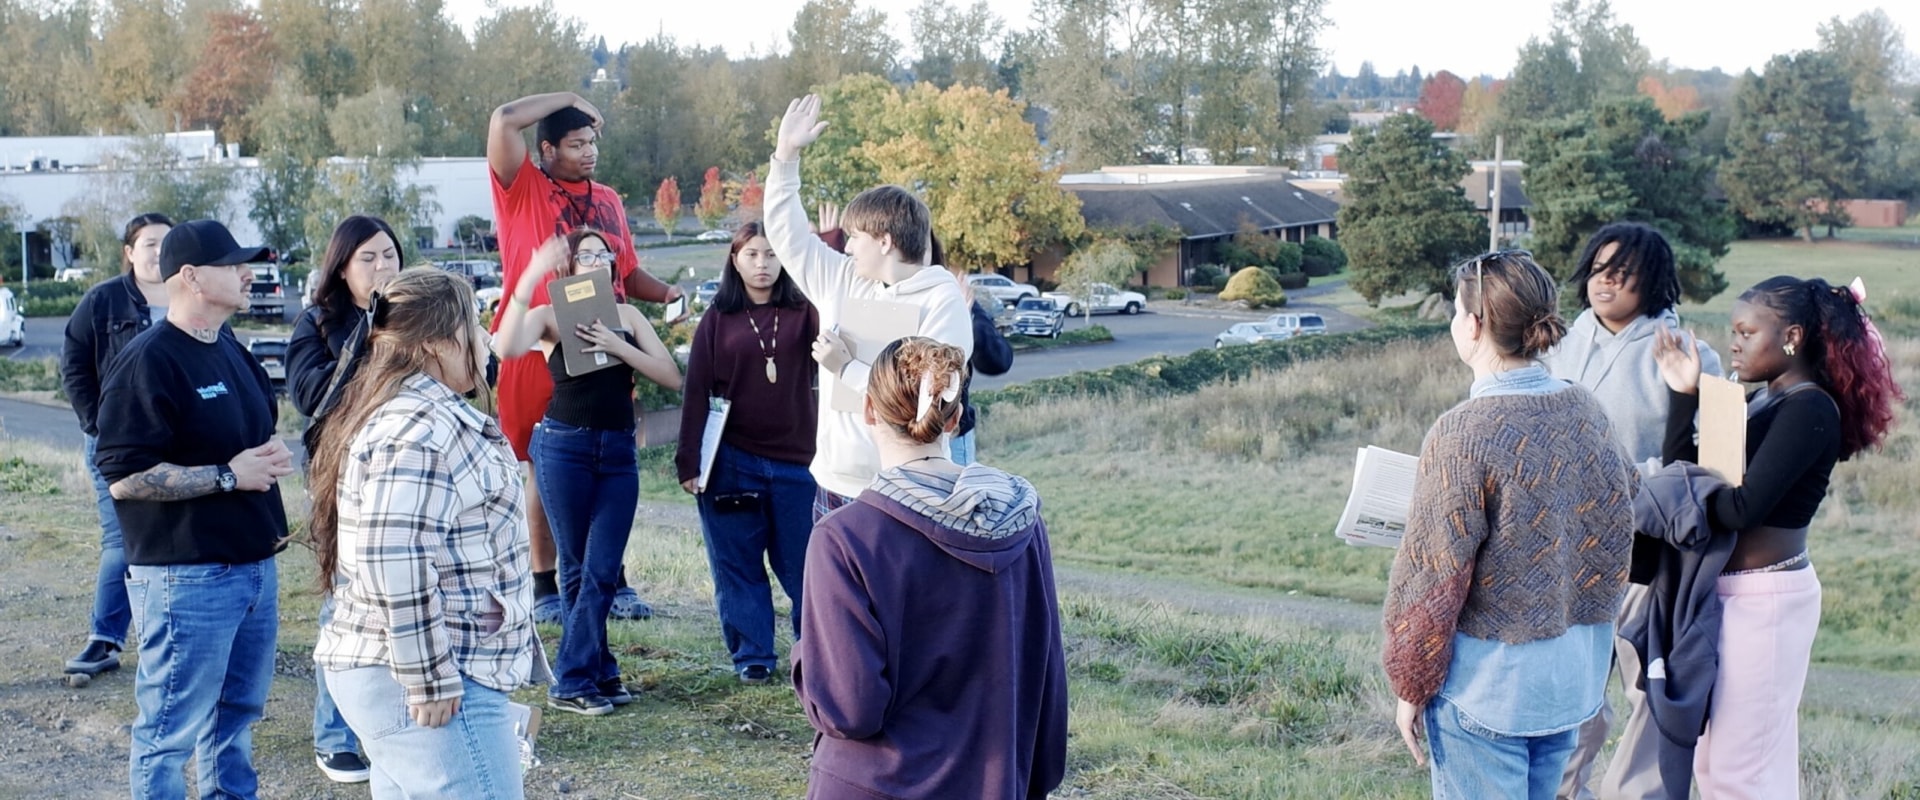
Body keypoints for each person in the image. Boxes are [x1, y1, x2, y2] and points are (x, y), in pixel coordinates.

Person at [1382, 250, 1637, 799]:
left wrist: (1411, 684)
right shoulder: (1586, 410)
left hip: (1489, 690)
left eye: (1457, 310)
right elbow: (1621, 506)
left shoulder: (1463, 433)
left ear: (1474, 325)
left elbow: (1435, 578)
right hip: (1569, 683)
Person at [1650, 276, 1901, 799]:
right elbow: (1687, 470)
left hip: (1767, 601)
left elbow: (1742, 508)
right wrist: (1684, 394)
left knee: (1741, 772)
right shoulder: (1762, 400)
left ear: (1790, 337)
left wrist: (1686, 501)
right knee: (1719, 765)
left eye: (1746, 332)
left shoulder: (1810, 409)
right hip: (1730, 593)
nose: (1734, 343)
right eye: (1733, 331)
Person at [309, 268, 549, 798]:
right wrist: (430, 676)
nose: (487, 341)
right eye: (474, 328)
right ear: (438, 344)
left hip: (418, 672)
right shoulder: (419, 426)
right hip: (435, 680)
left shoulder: (416, 414)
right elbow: (393, 554)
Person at [794, 337, 1068, 799]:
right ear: (956, 417)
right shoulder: (1023, 522)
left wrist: (807, 655)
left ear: (868, 410)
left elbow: (849, 709)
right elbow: (1047, 677)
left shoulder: (845, 537)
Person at [93, 219, 296, 800]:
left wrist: (267, 453)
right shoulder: (149, 361)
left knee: (234, 720)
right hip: (188, 577)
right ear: (190, 276)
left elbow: (251, 431)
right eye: (233, 264)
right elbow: (125, 478)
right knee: (169, 731)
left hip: (254, 566)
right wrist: (229, 476)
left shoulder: (229, 346)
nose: (246, 272)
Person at [487, 90, 682, 624]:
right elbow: (504, 118)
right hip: (539, 337)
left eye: (592, 142)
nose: (589, 152)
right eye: (576, 144)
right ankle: (545, 583)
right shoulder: (522, 187)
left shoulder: (610, 200)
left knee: (605, 455)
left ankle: (611, 579)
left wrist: (667, 295)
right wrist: (571, 96)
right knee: (541, 463)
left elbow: (628, 272)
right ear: (546, 150)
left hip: (602, 339)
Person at [1541, 223, 1721, 800]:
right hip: (1564, 546)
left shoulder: (1691, 353)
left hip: (1648, 552)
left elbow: (1709, 466)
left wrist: (1628, 480)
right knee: (1569, 687)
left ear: (1654, 280)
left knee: (1646, 686)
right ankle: (1559, 791)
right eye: (1598, 267)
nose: (1605, 281)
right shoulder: (1559, 344)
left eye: (1623, 271)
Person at [494, 228, 682, 716]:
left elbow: (670, 375)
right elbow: (505, 347)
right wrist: (531, 274)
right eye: (586, 254)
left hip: (618, 452)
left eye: (604, 254)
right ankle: (587, 674)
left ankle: (585, 672)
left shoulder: (628, 315)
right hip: (564, 448)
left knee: (600, 567)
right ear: (570, 266)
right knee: (579, 569)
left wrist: (618, 347)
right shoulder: (550, 316)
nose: (596, 260)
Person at [766, 93, 974, 519]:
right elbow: (787, 236)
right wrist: (785, 158)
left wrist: (846, 368)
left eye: (854, 235)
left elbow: (928, 397)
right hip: (834, 483)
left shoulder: (942, 301)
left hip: (908, 488)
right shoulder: (842, 278)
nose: (845, 245)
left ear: (885, 241)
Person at [285, 215, 405, 784]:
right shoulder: (316, 323)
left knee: (401, 594)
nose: (383, 267)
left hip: (406, 471)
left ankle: (388, 723)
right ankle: (334, 734)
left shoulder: (415, 317)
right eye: (368, 259)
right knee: (347, 600)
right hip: (341, 475)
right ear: (341, 267)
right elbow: (315, 397)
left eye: (389, 255)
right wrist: (369, 328)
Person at [675, 222, 820, 684]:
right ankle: (753, 656)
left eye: (772, 254)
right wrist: (689, 461)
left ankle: (813, 653)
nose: (763, 264)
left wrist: (825, 242)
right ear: (735, 259)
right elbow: (696, 390)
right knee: (737, 567)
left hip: (799, 462)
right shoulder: (717, 319)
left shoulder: (804, 313)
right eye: (753, 254)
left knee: (806, 569)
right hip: (732, 460)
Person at [58, 211, 172, 681]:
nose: (159, 252)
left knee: (170, 540)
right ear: (129, 252)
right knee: (121, 540)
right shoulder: (103, 300)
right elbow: (74, 366)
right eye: (149, 244)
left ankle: (163, 635)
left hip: (175, 443)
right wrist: (96, 425)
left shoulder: (189, 294)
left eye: (167, 243)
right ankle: (104, 639)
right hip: (115, 445)